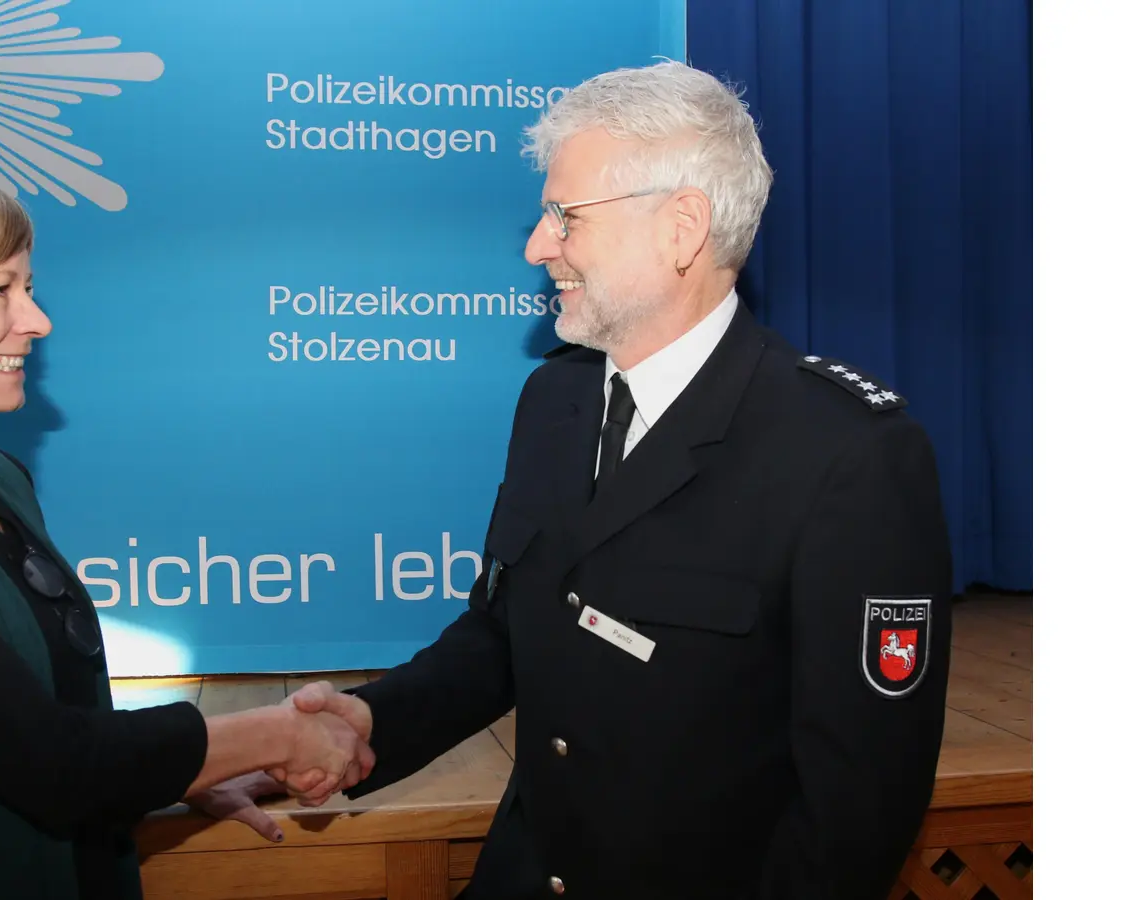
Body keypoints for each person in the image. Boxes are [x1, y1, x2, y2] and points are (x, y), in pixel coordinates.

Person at [285, 60, 954, 899]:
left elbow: (858, 810)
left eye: (564, 216)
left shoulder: (845, 453)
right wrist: (372, 721)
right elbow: (502, 637)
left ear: (681, 228)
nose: (537, 245)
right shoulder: (554, 399)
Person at [0, 156, 369, 900]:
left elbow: (37, 726)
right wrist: (275, 734)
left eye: (29, 287)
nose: (37, 320)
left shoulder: (1, 484)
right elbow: (55, 767)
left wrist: (189, 772)